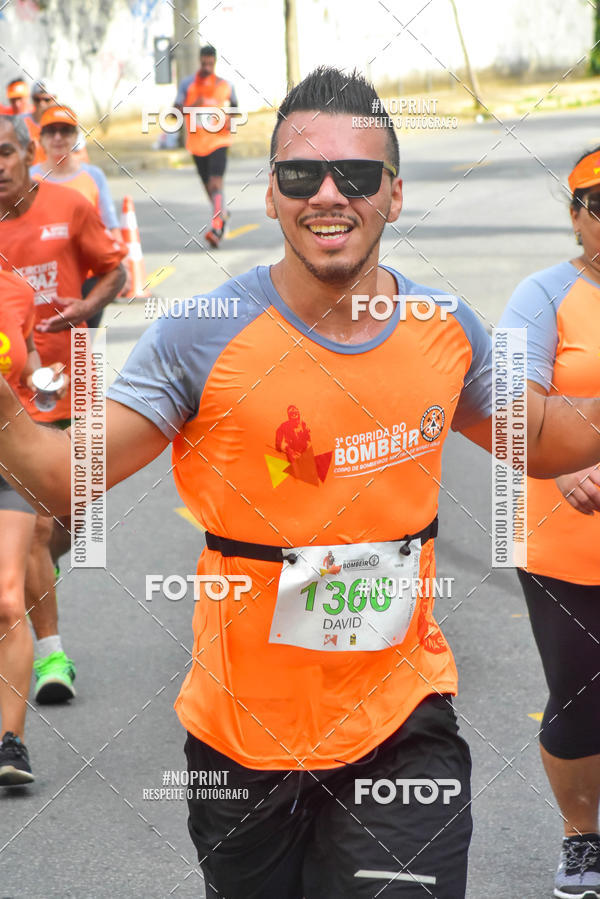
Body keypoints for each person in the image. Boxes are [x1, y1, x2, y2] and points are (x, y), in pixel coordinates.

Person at [1, 67, 600, 898]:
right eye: (300, 174)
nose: (328, 194)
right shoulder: (202, 334)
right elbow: (64, 478)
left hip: (403, 722)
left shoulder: (444, 329)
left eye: (356, 174)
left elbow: (543, 437)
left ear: (393, 194)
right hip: (240, 740)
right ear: (273, 195)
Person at [499, 145, 600, 899]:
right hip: (566, 539)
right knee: (581, 695)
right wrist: (562, 466)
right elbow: (512, 410)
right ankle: (581, 836)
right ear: (576, 216)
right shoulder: (543, 295)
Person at [0, 113, 126, 705]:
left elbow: (115, 272)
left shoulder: (70, 205)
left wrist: (86, 307)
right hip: (15, 395)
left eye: (5, 152)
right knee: (35, 526)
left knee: (75, 520)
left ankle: (30, 579)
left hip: (72, 377)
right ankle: (51, 654)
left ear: (27, 152)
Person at [0, 270, 68, 784]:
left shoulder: (15, 289)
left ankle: (11, 744)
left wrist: (46, 385)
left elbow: (26, 365)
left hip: (9, 457)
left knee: (7, 601)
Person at [31, 104, 126, 328]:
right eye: (51, 131)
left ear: (75, 137)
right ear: (41, 138)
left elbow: (109, 224)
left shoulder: (93, 175)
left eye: (65, 131)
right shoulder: (29, 178)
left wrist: (123, 266)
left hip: (89, 278)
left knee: (82, 343)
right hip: (42, 280)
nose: (58, 137)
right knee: (44, 339)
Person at [174, 44, 238, 247]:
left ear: (215, 62)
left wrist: (230, 121)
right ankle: (222, 213)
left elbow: (235, 107)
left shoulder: (225, 85)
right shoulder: (188, 84)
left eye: (211, 64)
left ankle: (216, 228)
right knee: (208, 187)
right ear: (199, 62)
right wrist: (194, 105)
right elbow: (175, 112)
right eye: (204, 64)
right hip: (197, 144)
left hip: (219, 141)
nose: (207, 67)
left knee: (216, 184)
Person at [22, 80, 57, 164]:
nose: (41, 104)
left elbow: (81, 157)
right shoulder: (20, 122)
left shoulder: (65, 122)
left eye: (46, 100)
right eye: (37, 99)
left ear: (55, 99)